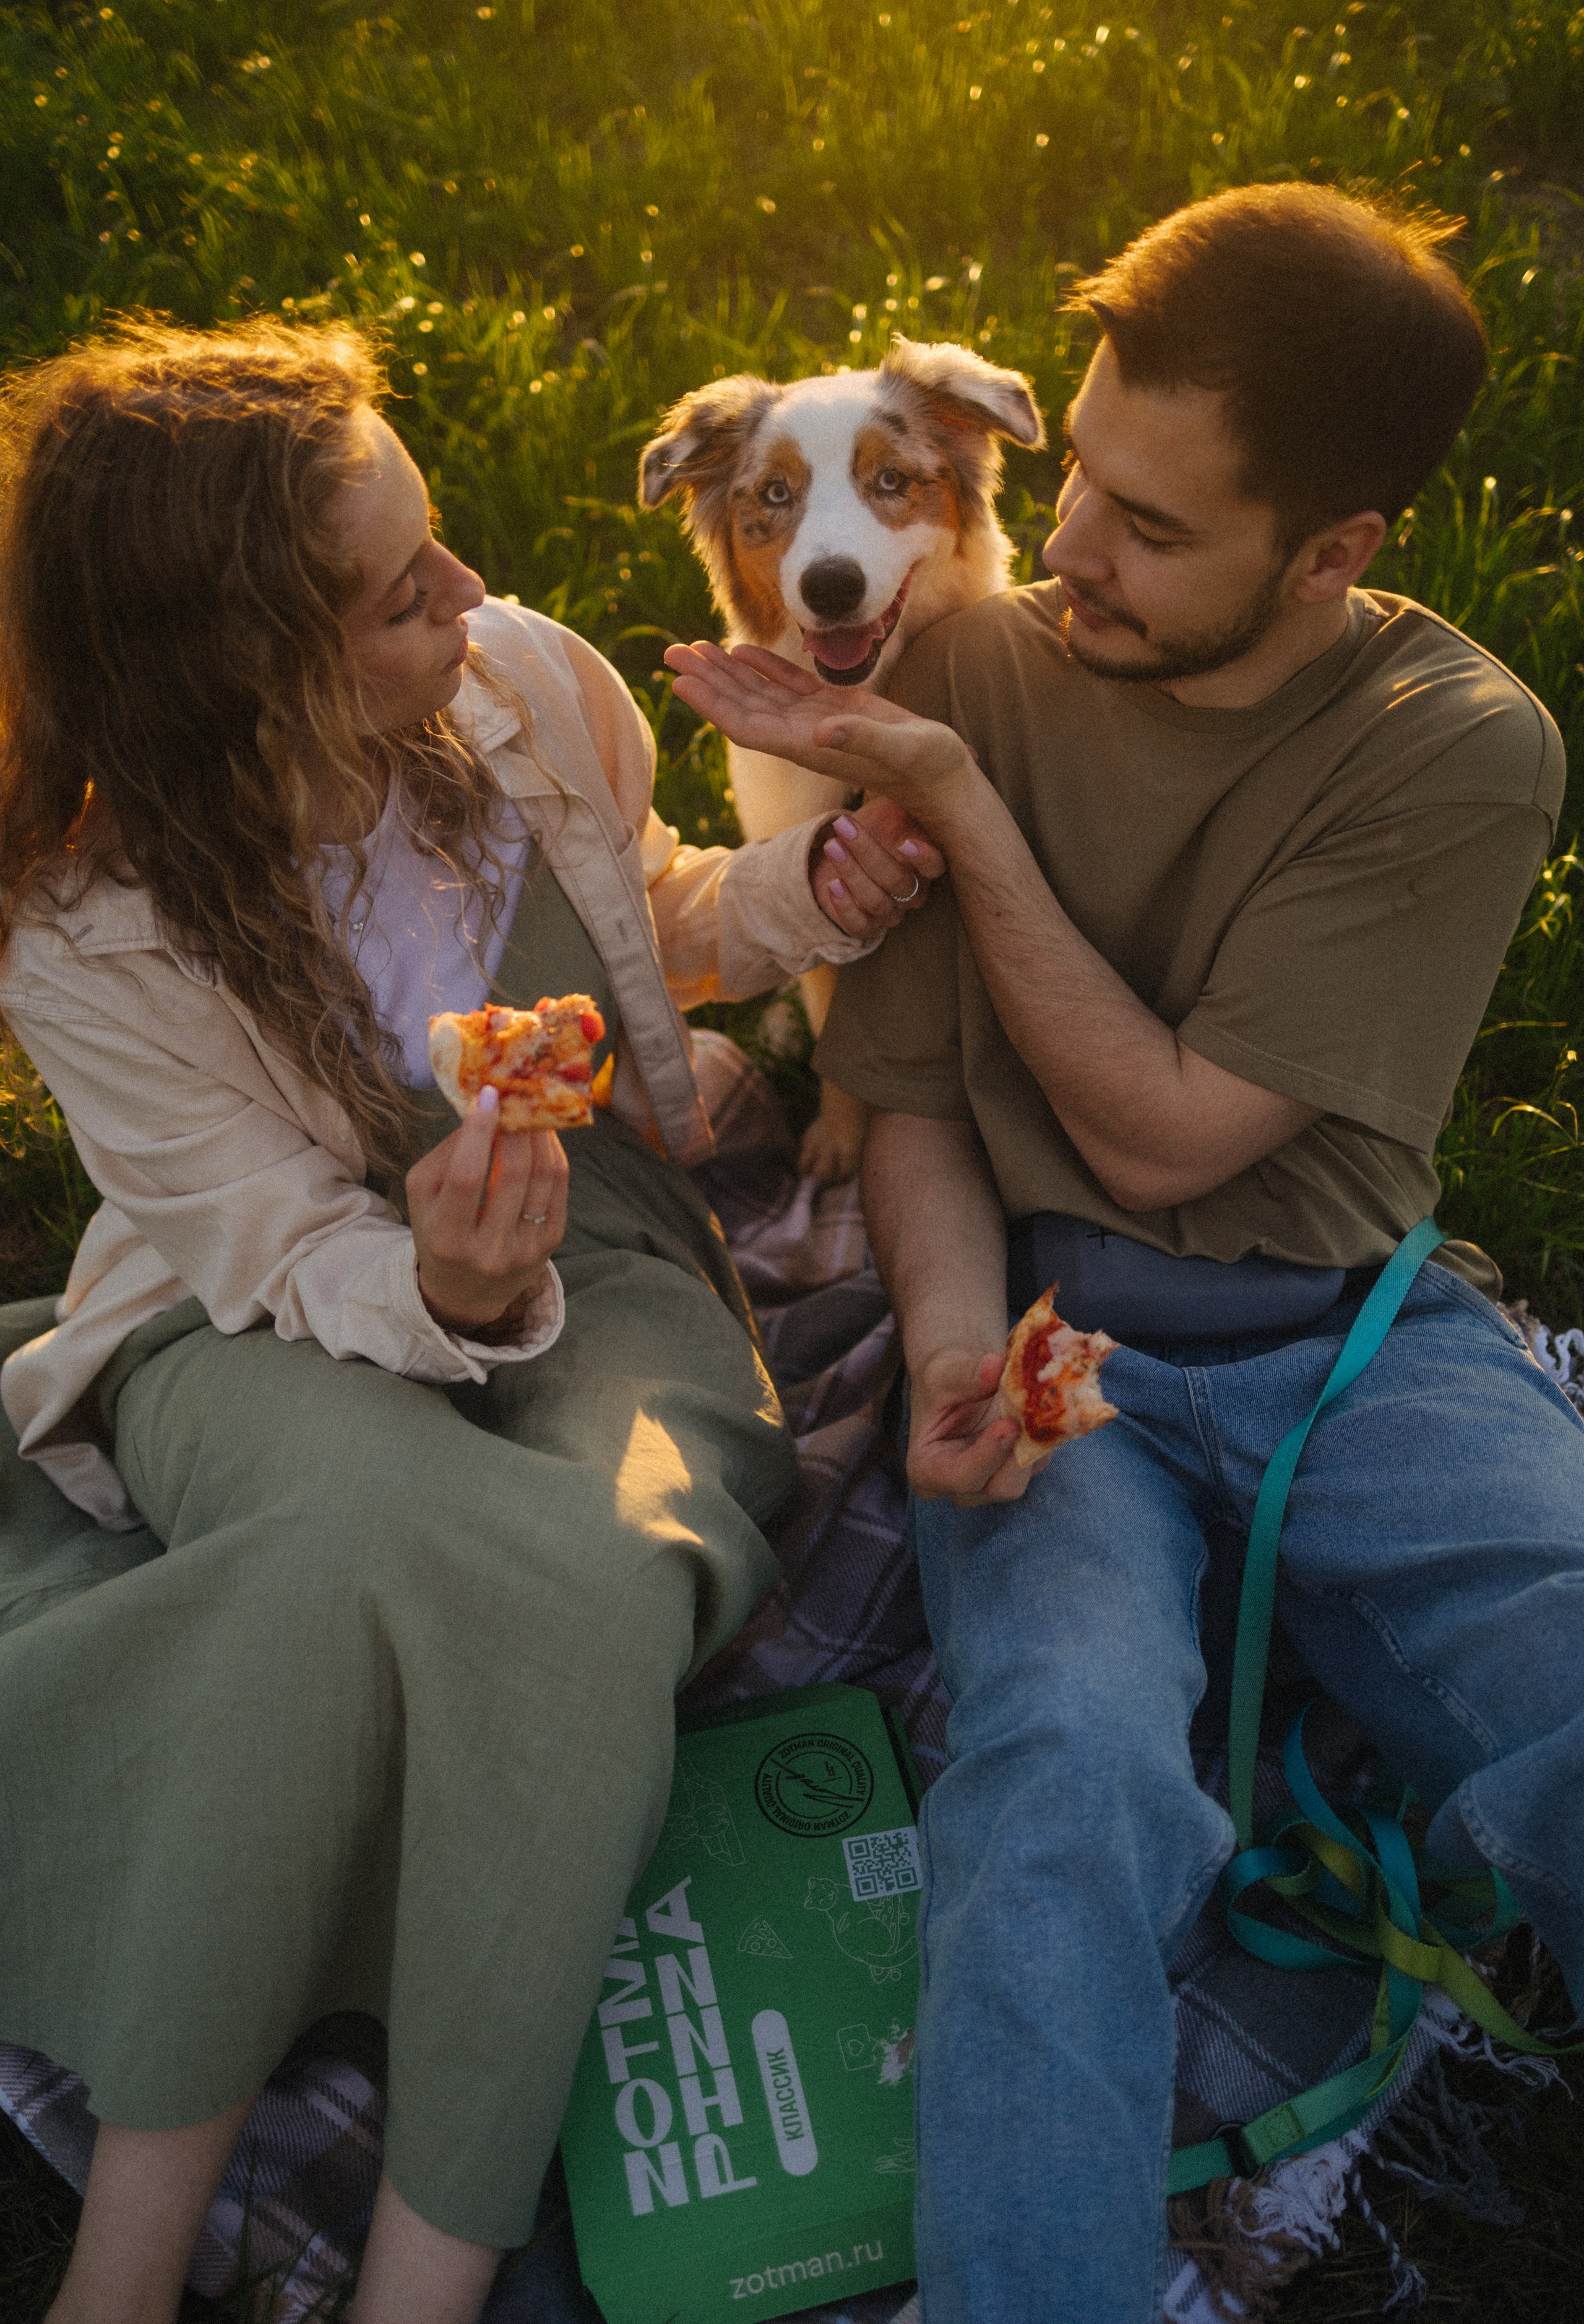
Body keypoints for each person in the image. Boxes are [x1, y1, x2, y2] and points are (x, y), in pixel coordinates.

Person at [666, 182, 1584, 2323]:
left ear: (1334, 553)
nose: (1066, 549)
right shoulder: (967, 655)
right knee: (1059, 1794)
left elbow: (1166, 1126)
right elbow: (901, 1100)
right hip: (1056, 1351)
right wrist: (958, 1356)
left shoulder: (1457, 749)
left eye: (1153, 529)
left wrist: (962, 817)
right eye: (1074, 477)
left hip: (1349, 1342)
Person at [0, 315, 944, 2324]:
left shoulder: (516, 684)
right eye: (394, 590)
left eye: (435, 543)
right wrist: (435, 1281)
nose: (464, 590)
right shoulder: (84, 929)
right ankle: (125, 2273)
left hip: (600, 1235)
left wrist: (818, 902)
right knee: (345, 1541)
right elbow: (245, 1231)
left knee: (609, 1566)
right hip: (239, 1308)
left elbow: (659, 916)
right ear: (241, 672)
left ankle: (426, 2275)